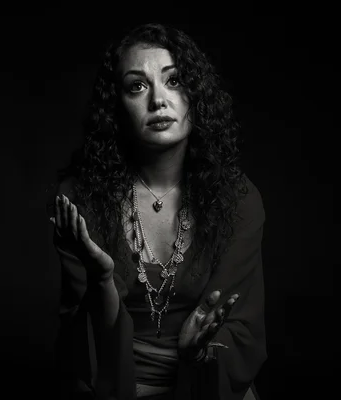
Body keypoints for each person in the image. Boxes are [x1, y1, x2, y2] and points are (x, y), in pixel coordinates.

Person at [48, 23, 266, 400]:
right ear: (116, 106)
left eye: (175, 80)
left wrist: (199, 352)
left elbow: (242, 328)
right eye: (138, 85)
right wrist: (102, 280)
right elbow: (81, 340)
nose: (158, 101)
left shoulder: (237, 198)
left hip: (206, 382)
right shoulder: (81, 199)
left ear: (196, 95)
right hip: (113, 386)